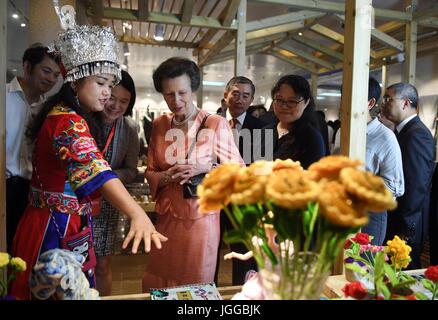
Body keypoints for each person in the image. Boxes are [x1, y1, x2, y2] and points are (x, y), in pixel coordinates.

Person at [10, 5, 166, 300]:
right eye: (100, 83)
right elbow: (95, 169)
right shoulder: (65, 120)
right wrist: (136, 212)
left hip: (70, 222)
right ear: (75, 80)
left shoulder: (73, 116)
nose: (107, 92)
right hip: (53, 226)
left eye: (110, 84)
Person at [142, 57, 243, 291]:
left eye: (182, 93)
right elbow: (150, 170)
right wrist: (166, 177)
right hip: (166, 216)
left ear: (193, 89)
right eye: (169, 94)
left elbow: (238, 170)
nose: (176, 101)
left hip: (200, 218)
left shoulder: (214, 123)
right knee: (161, 276)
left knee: (194, 280)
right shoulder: (159, 124)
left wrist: (206, 167)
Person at [6, 45, 61, 252]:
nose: (51, 79)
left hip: (30, 191)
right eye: (46, 71)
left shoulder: (48, 111)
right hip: (4, 184)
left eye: (56, 75)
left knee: (21, 249)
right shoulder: (4, 97)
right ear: (27, 66)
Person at [89, 70, 140, 296]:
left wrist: (106, 177)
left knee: (102, 264)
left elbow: (131, 171)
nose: (116, 105)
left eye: (124, 101)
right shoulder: (84, 119)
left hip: (107, 205)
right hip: (77, 202)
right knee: (73, 262)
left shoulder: (129, 129)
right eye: (112, 97)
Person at [217, 76, 265, 286]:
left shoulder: (261, 127)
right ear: (226, 95)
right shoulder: (209, 122)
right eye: (235, 94)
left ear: (251, 99)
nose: (240, 100)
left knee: (243, 253)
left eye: (246, 96)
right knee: (208, 253)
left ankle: (243, 294)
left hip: (244, 203)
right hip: (214, 199)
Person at [382, 82, 435, 269]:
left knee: (405, 283)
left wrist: (405, 231)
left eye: (388, 99)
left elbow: (416, 187)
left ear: (405, 103)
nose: (384, 103)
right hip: (397, 222)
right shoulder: (403, 132)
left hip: (405, 227)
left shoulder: (417, 135)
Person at [361, 77, 404, 246]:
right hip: (342, 210)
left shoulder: (385, 137)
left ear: (370, 103)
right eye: (344, 96)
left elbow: (396, 187)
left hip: (370, 214)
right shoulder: (343, 130)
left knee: (364, 268)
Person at [262, 74, 325, 169]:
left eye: (292, 101)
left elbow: (312, 178)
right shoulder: (265, 130)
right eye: (279, 100)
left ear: (306, 103)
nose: (284, 106)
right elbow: (254, 168)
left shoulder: (312, 138)